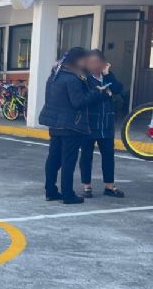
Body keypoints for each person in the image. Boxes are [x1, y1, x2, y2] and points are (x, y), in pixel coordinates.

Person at [39, 47, 105, 204]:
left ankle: (51, 191)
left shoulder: (54, 76)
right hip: (71, 125)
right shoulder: (72, 78)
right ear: (79, 61)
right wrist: (97, 92)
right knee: (68, 160)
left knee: (54, 159)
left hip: (55, 124)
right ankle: (68, 194)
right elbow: (78, 102)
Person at [80, 50, 125, 198]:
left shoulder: (107, 77)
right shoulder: (84, 79)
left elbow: (118, 89)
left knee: (108, 156)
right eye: (92, 62)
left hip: (106, 123)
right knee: (86, 155)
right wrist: (104, 94)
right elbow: (84, 99)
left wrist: (107, 74)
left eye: (98, 62)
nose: (95, 65)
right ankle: (86, 186)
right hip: (89, 123)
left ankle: (109, 186)